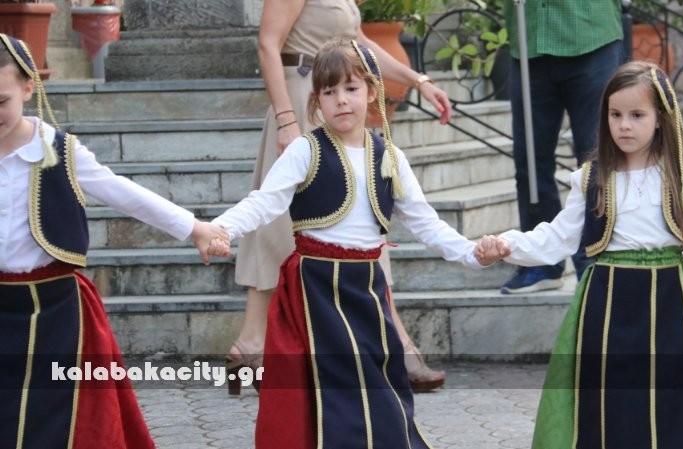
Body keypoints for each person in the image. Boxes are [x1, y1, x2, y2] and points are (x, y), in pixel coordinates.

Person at [475, 61, 683, 448]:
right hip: (608, 302)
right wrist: (508, 246)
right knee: (611, 396)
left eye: (637, 115)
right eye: (615, 115)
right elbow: (558, 237)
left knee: (674, 394)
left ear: (660, 118)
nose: (624, 125)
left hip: (671, 301)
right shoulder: (592, 177)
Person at [209, 38, 494, 449]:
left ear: (372, 93)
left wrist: (470, 252)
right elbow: (264, 202)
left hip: (367, 289)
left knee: (382, 381)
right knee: (332, 386)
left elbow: (425, 222)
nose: (341, 100)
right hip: (316, 289)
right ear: (316, 101)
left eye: (351, 88)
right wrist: (220, 229)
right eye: (329, 92)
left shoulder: (390, 157)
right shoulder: (305, 150)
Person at [0, 34, 227, 448]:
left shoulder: (59, 150)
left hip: (54, 311)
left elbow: (121, 191)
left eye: (1, 101)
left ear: (29, 88)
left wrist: (193, 228)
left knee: (53, 419)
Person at [226, 0, 452, 394]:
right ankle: (394, 344)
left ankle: (250, 343)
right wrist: (286, 120)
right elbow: (268, 44)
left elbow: (359, 44)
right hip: (306, 100)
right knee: (284, 230)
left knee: (356, 218)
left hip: (333, 100)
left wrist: (419, 80)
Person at [499, 0, 625, 293]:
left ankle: (597, 261)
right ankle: (541, 264)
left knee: (597, 161)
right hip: (529, 42)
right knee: (530, 162)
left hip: (590, 37)